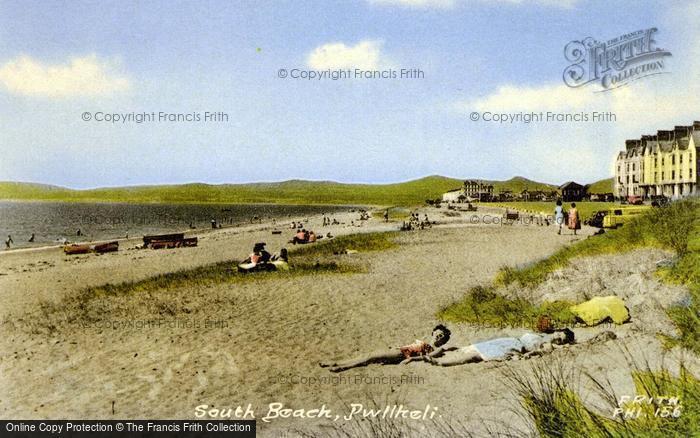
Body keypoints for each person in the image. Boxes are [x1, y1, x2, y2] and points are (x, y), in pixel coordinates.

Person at [407, 329, 575, 367]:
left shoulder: (549, 345)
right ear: (558, 330)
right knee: (469, 347)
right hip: (509, 341)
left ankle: (438, 362)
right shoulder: (542, 333)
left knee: (477, 356)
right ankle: (437, 353)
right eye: (559, 335)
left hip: (514, 349)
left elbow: (536, 352)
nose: (557, 339)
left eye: (561, 340)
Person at [320, 325, 451, 372]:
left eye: (441, 336)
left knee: (370, 357)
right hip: (400, 350)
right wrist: (398, 346)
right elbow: (412, 346)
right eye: (437, 333)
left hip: (402, 355)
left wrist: (411, 360)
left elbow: (427, 357)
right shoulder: (425, 341)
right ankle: (336, 363)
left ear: (443, 339)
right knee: (369, 355)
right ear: (433, 333)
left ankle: (341, 367)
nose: (438, 336)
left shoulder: (438, 349)